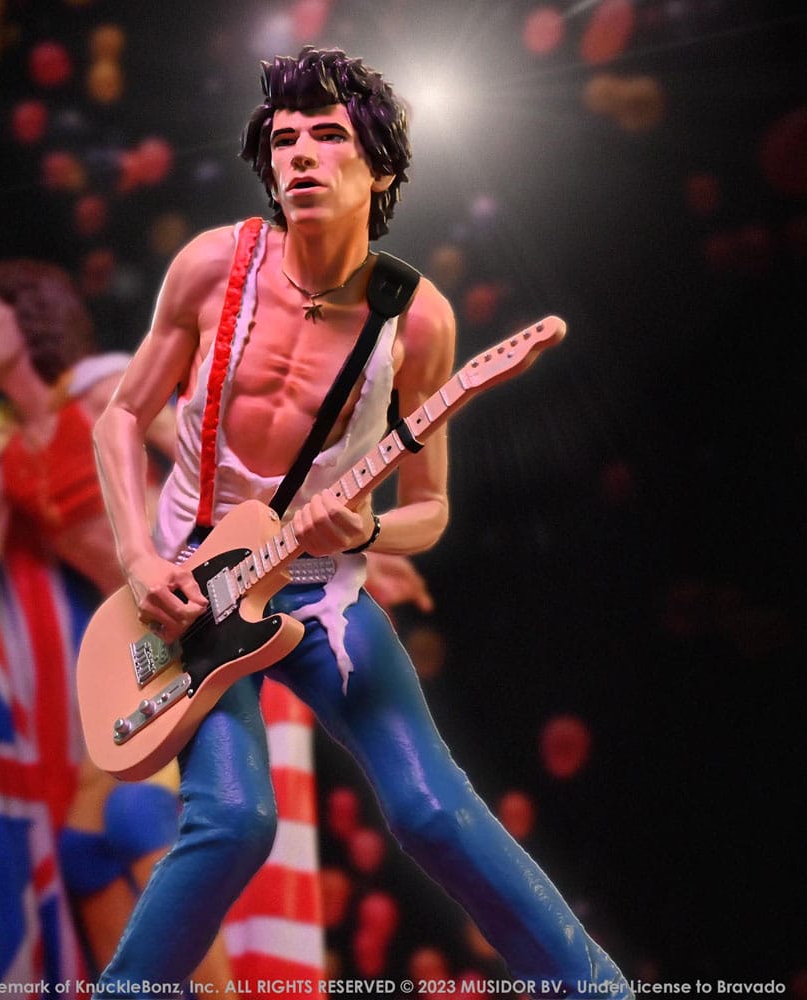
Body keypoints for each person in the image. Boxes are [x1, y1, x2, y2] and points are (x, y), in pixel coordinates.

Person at [89, 46, 633, 999]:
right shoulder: (212, 267)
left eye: (328, 136)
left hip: (319, 593)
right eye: (284, 139)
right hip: (190, 589)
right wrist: (138, 557)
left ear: (379, 168)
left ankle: (597, 991)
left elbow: (430, 508)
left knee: (431, 810)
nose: (299, 154)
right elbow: (121, 417)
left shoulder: (417, 321)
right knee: (233, 822)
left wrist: (367, 537)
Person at [0, 260, 233, 991]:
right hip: (133, 643)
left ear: (31, 317)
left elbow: (213, 468)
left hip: (195, 616)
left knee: (138, 814)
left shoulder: (108, 388)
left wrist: (308, 557)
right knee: (82, 852)